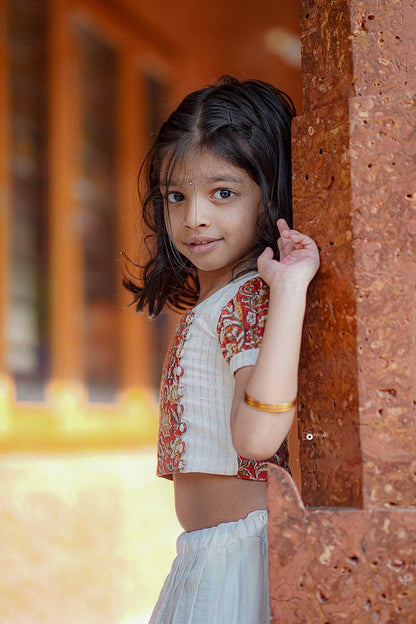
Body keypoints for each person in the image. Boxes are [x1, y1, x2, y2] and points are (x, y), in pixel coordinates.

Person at [123, 75, 320, 623]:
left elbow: (256, 438)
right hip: (215, 554)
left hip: (241, 562)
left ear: (270, 194)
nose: (194, 218)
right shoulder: (220, 304)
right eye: (176, 196)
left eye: (223, 193)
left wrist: (288, 288)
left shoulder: (249, 300)